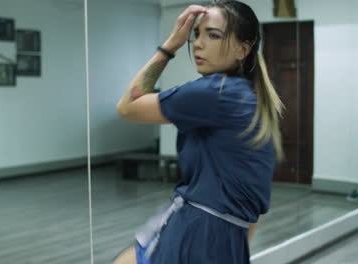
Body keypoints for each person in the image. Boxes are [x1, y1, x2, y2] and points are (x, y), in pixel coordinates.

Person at [113, 1, 283, 263]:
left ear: (242, 49)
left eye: (213, 35)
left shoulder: (216, 92)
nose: (197, 44)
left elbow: (127, 107)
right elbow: (255, 200)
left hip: (197, 233)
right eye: (196, 34)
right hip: (224, 234)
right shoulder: (249, 97)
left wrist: (170, 45)